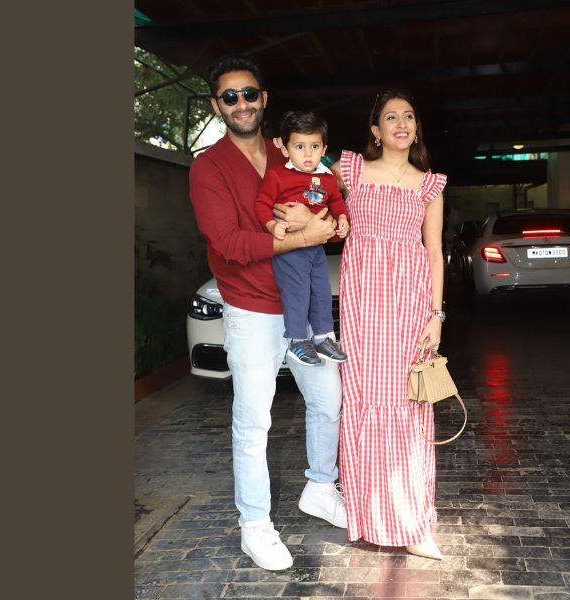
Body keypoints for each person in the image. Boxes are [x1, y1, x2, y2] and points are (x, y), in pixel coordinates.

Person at [188, 55, 347, 572]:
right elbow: (229, 243)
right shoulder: (209, 167)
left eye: (249, 93)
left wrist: (327, 221)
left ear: (264, 98)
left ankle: (320, 488)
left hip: (304, 312)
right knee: (254, 420)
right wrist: (304, 234)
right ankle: (254, 524)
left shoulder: (294, 152)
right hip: (252, 309)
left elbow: (332, 204)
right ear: (217, 105)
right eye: (229, 96)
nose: (241, 103)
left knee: (329, 401)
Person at [338, 90, 447, 559]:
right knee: (365, 399)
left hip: (410, 304)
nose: (401, 123)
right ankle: (368, 516)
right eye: (391, 117)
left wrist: (436, 316)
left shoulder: (430, 185)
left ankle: (413, 524)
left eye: (409, 116)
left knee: (407, 403)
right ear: (375, 130)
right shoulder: (350, 171)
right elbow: (308, 189)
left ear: (416, 128)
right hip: (363, 304)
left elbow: (435, 253)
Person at [254, 110, 350, 367]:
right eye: (299, 147)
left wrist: (342, 218)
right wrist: (272, 224)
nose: (308, 154)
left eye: (314, 146)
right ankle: (297, 341)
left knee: (321, 292)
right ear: (286, 149)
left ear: (324, 148)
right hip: (291, 248)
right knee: (298, 293)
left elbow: (336, 202)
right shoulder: (278, 176)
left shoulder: (328, 178)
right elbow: (262, 203)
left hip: (316, 249)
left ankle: (322, 338)